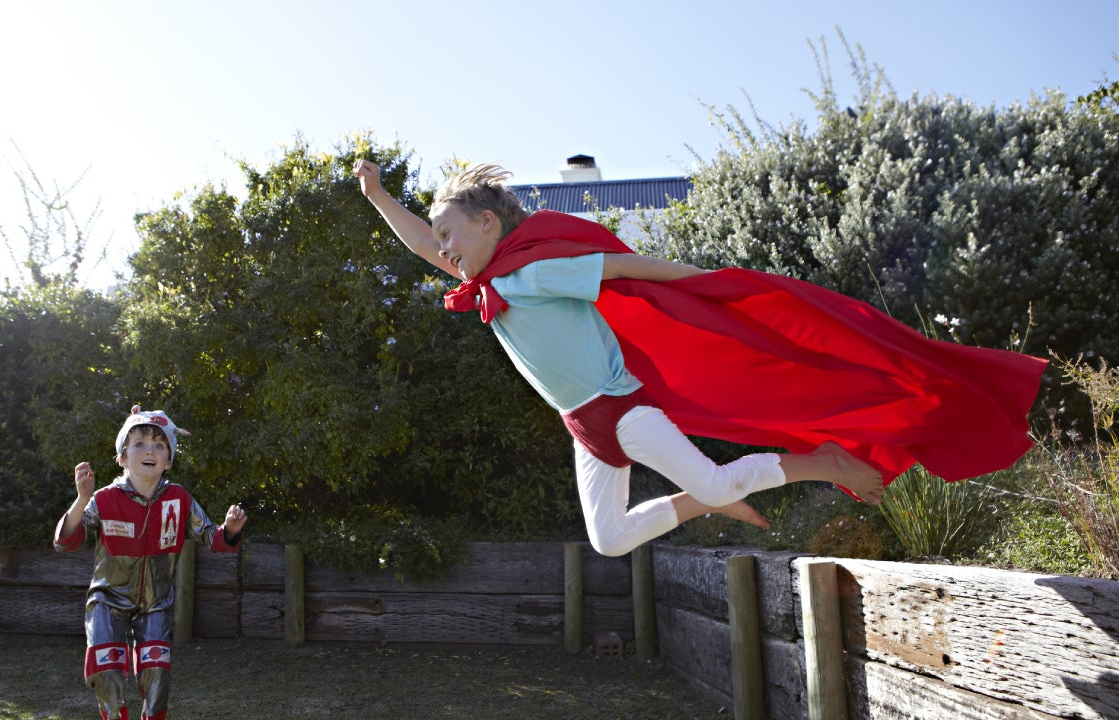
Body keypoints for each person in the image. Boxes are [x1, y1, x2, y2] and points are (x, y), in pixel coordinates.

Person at [351, 159, 910, 558]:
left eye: (451, 233)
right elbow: (423, 245)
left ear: (487, 223)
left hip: (621, 410)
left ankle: (824, 463)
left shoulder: (533, 274)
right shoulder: (487, 282)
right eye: (442, 241)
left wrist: (713, 285)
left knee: (717, 484)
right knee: (609, 540)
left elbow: (623, 267)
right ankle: (706, 500)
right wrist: (378, 196)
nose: (444, 249)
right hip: (584, 428)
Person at [54, 405, 247, 720]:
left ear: (168, 461)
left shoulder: (180, 499)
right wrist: (80, 497)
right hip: (107, 600)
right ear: (122, 456)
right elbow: (65, 541)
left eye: (160, 446)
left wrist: (231, 530)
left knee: (157, 675)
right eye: (140, 443)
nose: (150, 451)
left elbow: (212, 536)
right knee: (105, 671)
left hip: (156, 603)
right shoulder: (103, 498)